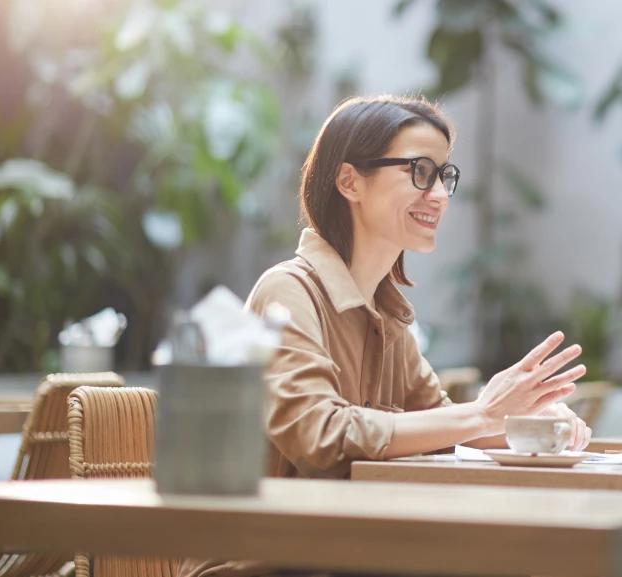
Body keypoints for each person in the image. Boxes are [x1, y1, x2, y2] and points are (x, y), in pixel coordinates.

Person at [179, 95, 590, 577]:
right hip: (259, 563)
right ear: (350, 180)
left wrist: (530, 425)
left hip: (355, 552)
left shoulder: (388, 317)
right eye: (419, 171)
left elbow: (443, 432)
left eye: (444, 176)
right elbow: (322, 437)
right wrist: (484, 413)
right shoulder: (286, 292)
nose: (438, 193)